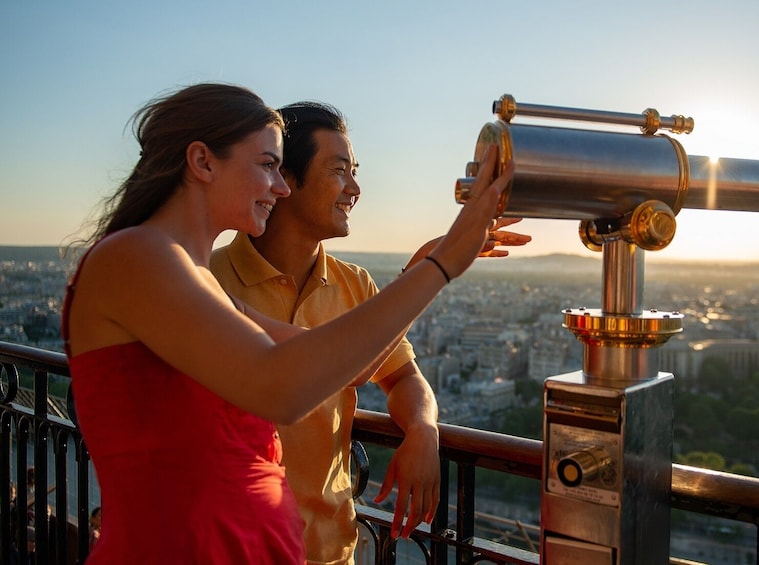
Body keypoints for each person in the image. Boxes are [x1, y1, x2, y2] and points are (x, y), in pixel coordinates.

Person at [61, 82, 513, 564]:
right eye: (267, 166)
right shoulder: (138, 257)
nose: (279, 187)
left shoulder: (191, 278)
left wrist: (422, 273)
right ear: (203, 162)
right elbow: (281, 386)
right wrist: (440, 265)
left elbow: (333, 363)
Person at [211, 101, 528, 564]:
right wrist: (427, 272)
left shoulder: (354, 284)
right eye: (339, 171)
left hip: (330, 547)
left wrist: (422, 426)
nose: (355, 188)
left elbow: (400, 376)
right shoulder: (207, 283)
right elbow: (342, 367)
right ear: (284, 180)